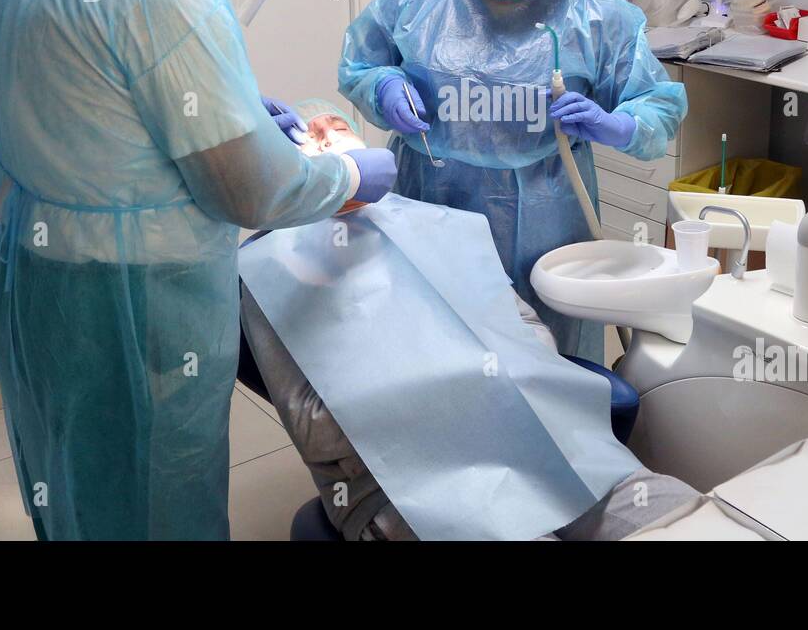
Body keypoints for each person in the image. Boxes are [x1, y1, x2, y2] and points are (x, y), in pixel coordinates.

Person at [0, 0, 396, 540]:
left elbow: (81, 98)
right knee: (151, 500)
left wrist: (227, 106)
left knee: (70, 479)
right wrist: (353, 178)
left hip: (33, 279)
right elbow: (252, 188)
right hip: (131, 304)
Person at [238, 103, 702, 540]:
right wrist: (459, 382)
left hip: (540, 440)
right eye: (307, 142)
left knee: (681, 517)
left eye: (337, 130)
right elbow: (317, 431)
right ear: (285, 176)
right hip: (405, 484)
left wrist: (494, 379)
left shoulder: (439, 226)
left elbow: (528, 331)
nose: (323, 137)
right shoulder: (270, 269)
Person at [340, 0, 687, 360]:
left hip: (545, 222)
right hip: (430, 203)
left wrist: (618, 125)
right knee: (434, 347)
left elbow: (657, 106)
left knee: (545, 360)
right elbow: (361, 64)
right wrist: (385, 87)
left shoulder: (600, 18)